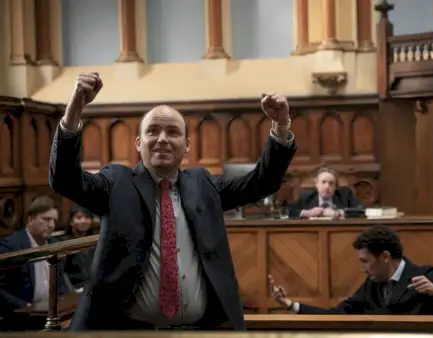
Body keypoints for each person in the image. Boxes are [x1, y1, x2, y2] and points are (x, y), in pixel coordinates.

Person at [49, 73, 296, 330]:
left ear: (187, 144)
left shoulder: (203, 184)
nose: (163, 139)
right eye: (152, 131)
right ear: (138, 143)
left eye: (173, 132)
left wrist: (281, 127)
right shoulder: (116, 182)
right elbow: (65, 180)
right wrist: (75, 108)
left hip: (200, 331)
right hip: (126, 333)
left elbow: (261, 183)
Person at [269, 225, 433, 315]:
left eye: (365, 261)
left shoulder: (425, 275)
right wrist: (290, 305)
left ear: (385, 257)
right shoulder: (371, 285)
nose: (362, 268)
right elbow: (337, 314)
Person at [0, 196, 69, 331]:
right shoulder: (11, 246)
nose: (52, 226)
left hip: (52, 317)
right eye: (46, 219)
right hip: (21, 320)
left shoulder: (55, 245)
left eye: (54, 220)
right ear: (31, 219)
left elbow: (60, 282)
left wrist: (67, 301)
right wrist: (26, 306)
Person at [289, 167, 363, 219]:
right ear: (316, 184)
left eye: (331, 183)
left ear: (335, 186)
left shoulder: (345, 195)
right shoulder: (307, 196)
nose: (327, 186)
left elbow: (361, 211)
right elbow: (286, 212)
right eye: (323, 182)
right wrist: (307, 213)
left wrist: (338, 213)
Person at [59, 205, 96, 290]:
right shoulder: (64, 242)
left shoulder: (95, 239)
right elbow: (62, 272)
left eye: (87, 217)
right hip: (76, 287)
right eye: (79, 217)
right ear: (71, 221)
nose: (83, 221)